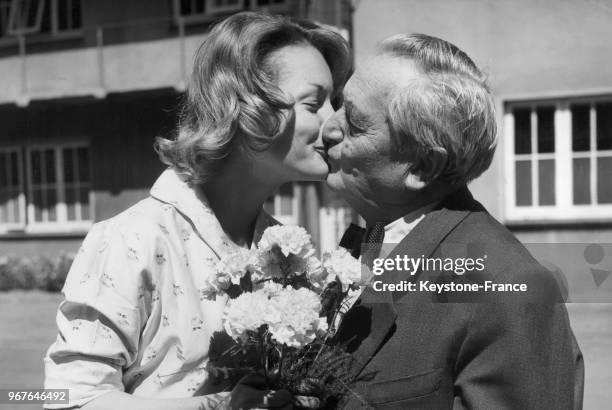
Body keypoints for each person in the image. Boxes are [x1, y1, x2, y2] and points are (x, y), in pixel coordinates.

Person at [43, 12, 350, 410]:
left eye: (335, 102)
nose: (333, 123)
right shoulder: (134, 239)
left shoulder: (289, 255)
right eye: (315, 103)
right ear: (248, 107)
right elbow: (69, 400)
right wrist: (223, 407)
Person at [321, 33, 584, 409]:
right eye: (338, 105)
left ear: (422, 166)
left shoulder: (509, 286)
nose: (329, 128)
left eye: (355, 122)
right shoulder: (373, 239)